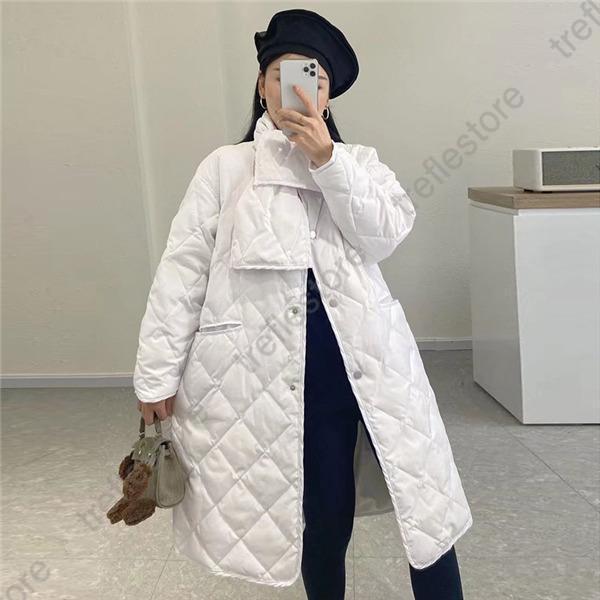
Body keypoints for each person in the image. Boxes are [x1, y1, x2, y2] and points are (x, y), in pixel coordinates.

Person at [134, 8, 472, 598]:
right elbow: (181, 272)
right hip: (273, 372)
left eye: (312, 76)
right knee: (323, 512)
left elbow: (384, 236)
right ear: (262, 86)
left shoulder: (360, 162)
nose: (297, 87)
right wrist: (155, 374)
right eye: (282, 74)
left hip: (366, 361)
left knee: (426, 504)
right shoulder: (225, 168)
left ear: (328, 93)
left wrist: (328, 160)